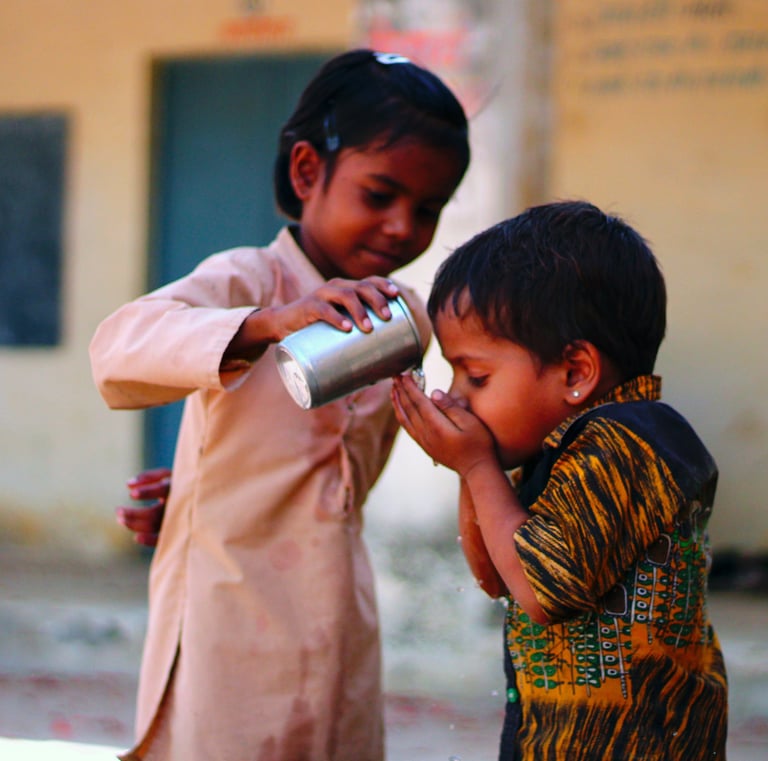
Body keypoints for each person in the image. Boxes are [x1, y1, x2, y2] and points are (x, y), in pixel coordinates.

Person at [90, 48, 470, 761]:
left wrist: (203, 489)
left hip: (338, 617)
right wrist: (270, 323)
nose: (401, 228)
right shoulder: (248, 280)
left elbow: (322, 473)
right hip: (228, 619)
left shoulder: (403, 320)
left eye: (427, 210)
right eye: (379, 195)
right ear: (306, 172)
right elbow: (116, 352)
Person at [391, 201, 728, 760]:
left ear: (575, 372)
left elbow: (540, 588)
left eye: (477, 375)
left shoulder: (630, 444)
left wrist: (476, 466)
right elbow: (495, 575)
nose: (457, 395)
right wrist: (469, 468)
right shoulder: (559, 450)